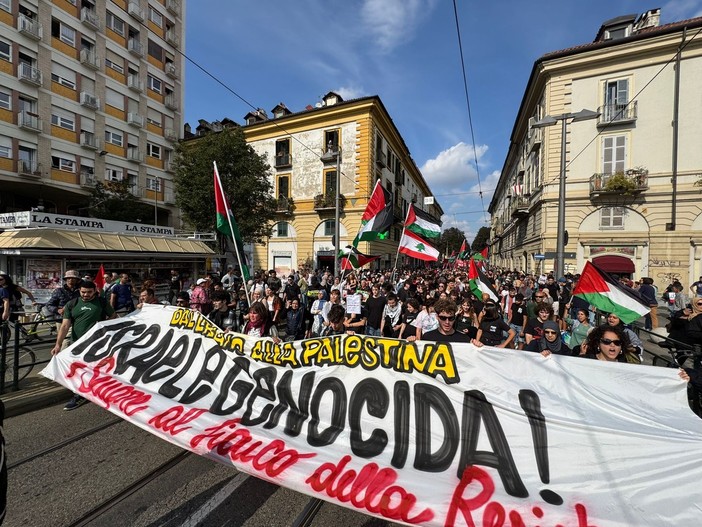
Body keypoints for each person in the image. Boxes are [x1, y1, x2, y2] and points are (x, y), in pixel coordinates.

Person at [51, 280, 117, 410]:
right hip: (77, 343)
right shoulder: (72, 304)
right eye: (83, 292)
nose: (86, 295)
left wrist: (103, 327)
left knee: (95, 369)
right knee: (79, 369)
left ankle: (94, 391)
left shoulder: (102, 302)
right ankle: (79, 394)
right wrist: (57, 345)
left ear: (95, 291)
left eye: (89, 292)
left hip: (97, 343)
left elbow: (113, 316)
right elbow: (65, 326)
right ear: (79, 291)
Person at [409, 298, 482, 344]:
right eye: (443, 318)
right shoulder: (428, 337)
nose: (447, 322)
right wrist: (410, 343)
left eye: (451, 318)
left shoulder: (464, 339)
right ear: (437, 317)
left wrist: (478, 348)